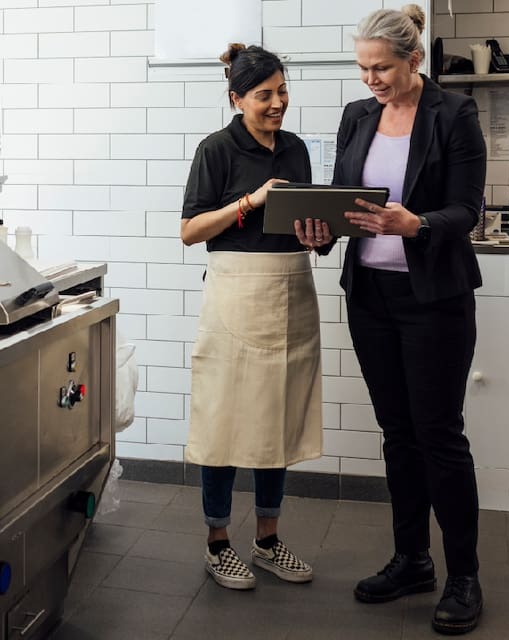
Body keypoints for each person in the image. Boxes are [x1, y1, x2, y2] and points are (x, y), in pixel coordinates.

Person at [331, 5, 486, 635]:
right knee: (397, 433)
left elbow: (467, 210)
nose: (371, 79)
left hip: (434, 300)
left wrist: (416, 223)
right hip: (370, 294)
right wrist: (321, 230)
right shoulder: (357, 116)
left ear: (413, 60)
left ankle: (464, 575)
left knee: (438, 436)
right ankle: (412, 559)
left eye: (382, 68)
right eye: (363, 68)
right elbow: (346, 202)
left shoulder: (454, 114)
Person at [181, 43, 332, 591]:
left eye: (283, 91)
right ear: (236, 98)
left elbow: (309, 225)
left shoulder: (295, 149)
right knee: (224, 422)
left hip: (292, 291)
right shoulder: (216, 149)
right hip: (235, 296)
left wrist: (323, 235)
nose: (277, 104)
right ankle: (218, 542)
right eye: (264, 95)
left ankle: (267, 539)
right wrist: (250, 201)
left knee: (277, 419)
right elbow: (191, 230)